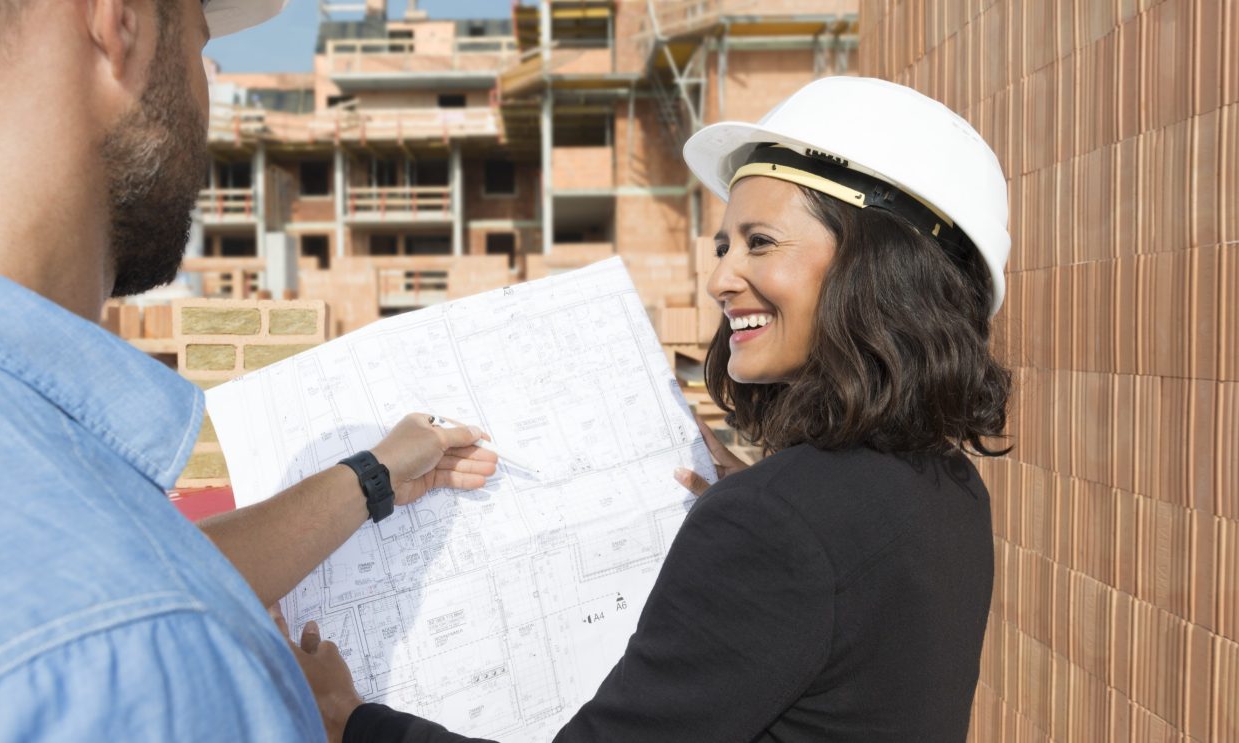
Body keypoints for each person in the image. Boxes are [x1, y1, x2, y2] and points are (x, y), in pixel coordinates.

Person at [0, 0, 496, 740]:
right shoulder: (150, 660)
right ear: (116, 22)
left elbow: (84, 573)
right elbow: (125, 606)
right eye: (199, 39)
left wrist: (373, 474)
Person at [295, 76, 1013, 742]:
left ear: (876, 268)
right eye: (725, 245)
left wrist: (350, 720)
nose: (720, 279)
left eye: (760, 244)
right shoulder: (948, 489)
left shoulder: (778, 522)